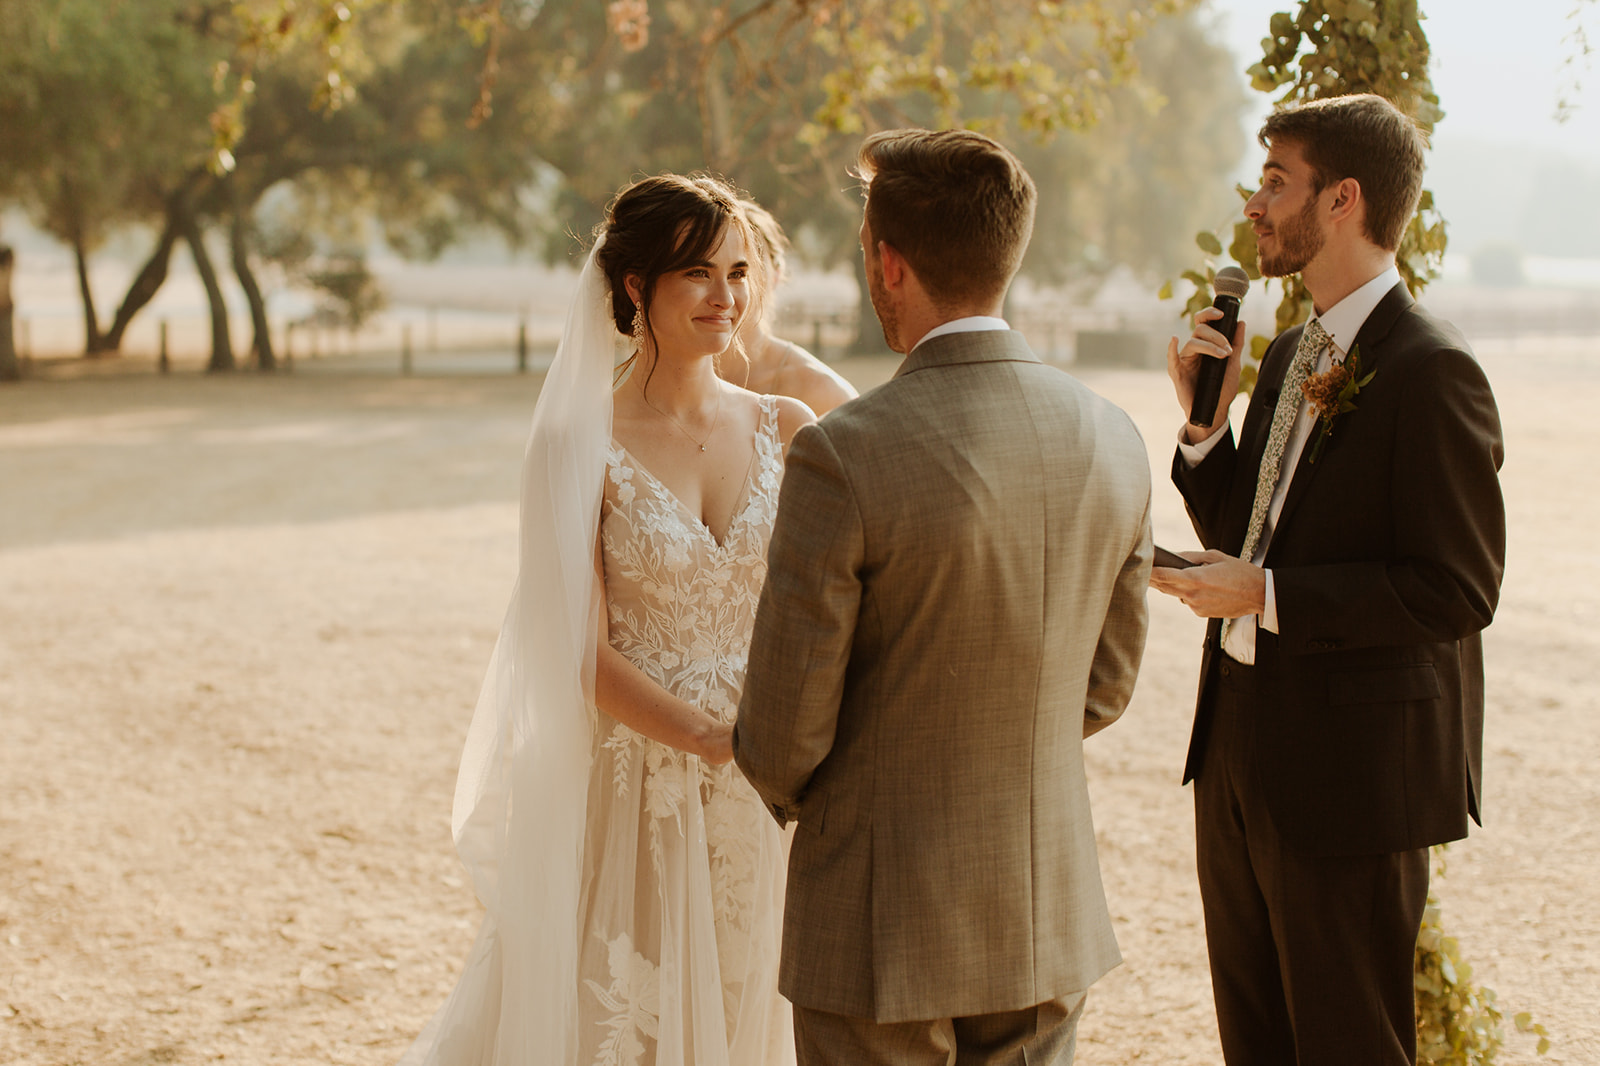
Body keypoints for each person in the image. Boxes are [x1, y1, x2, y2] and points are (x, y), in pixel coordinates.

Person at [732, 128, 1153, 1066]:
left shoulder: (844, 452)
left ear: (889, 263)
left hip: (878, 913)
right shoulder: (1114, 436)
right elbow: (1107, 686)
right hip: (1043, 907)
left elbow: (783, 737)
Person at [402, 173, 813, 1066]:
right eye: (698, 273)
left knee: (749, 1004)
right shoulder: (577, 440)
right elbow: (574, 648)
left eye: (739, 272)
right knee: (630, 1016)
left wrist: (774, 740)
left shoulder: (788, 425)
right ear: (635, 285)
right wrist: (705, 737)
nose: (726, 296)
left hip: (763, 785)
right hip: (637, 781)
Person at [1150, 93, 1505, 1066]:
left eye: (1276, 181)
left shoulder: (1433, 371)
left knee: (1350, 1044)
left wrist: (1264, 598)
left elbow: (1456, 589)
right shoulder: (1290, 356)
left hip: (1351, 775)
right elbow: (1252, 537)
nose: (1253, 203)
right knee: (1254, 1039)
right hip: (1235, 745)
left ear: (1342, 199)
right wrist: (1204, 429)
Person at [725, 199, 858, 416]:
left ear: (777, 274)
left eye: (741, 270)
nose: (725, 288)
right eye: (705, 271)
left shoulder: (825, 392)